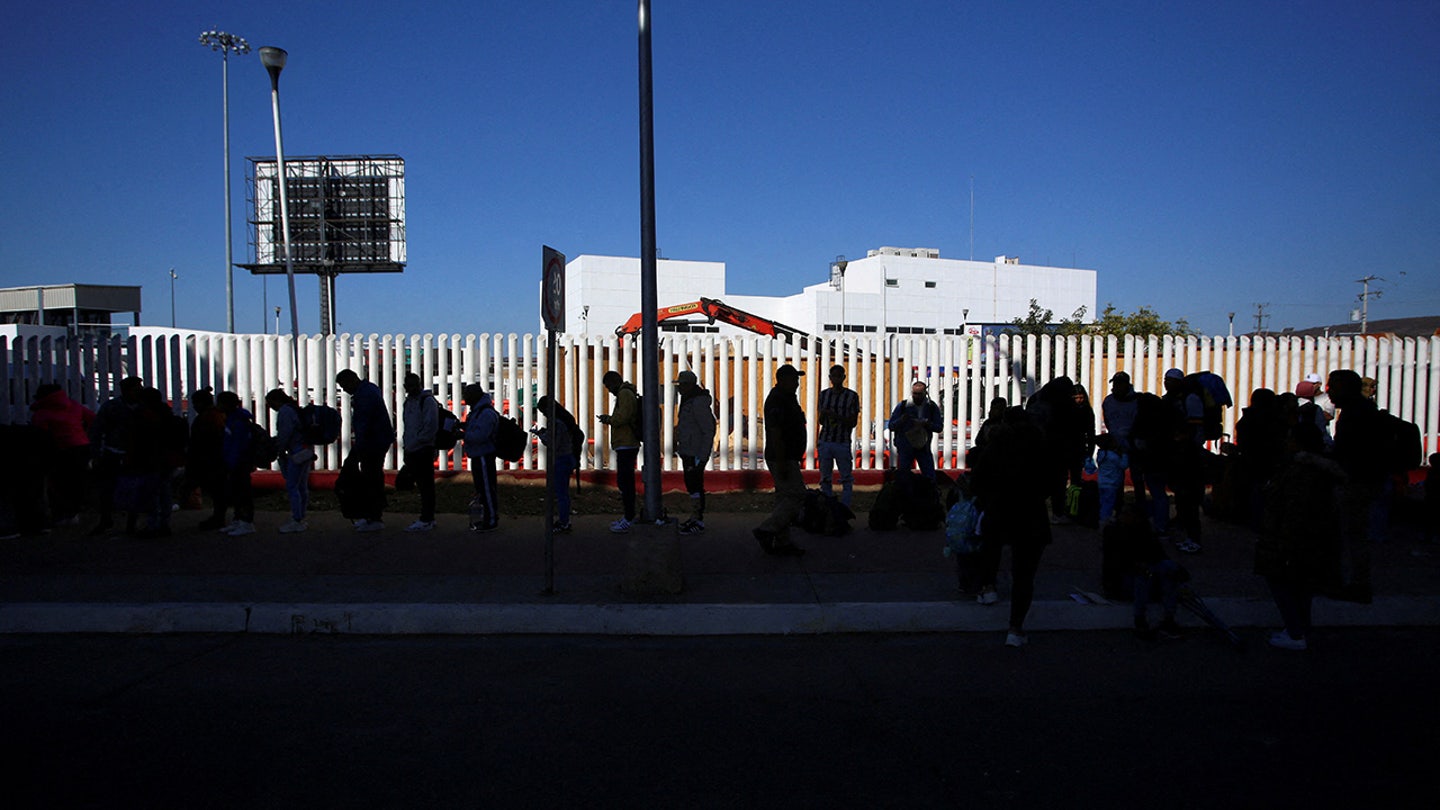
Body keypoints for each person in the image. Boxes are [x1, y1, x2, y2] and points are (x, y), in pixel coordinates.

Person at [1257, 425, 1344, 651]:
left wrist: (1282, 538)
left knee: (1281, 581)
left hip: (1294, 537)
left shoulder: (1299, 471)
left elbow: (1293, 508)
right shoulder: (1320, 469)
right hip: (1313, 536)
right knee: (1302, 585)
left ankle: (1296, 631)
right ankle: (1299, 629)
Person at [970, 406, 1052, 647]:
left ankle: (988, 587)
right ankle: (1015, 628)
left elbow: (977, 483)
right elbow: (1050, 482)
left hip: (998, 511)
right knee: (1024, 575)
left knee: (991, 549)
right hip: (1031, 515)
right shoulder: (1039, 447)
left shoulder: (995, 448)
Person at [1327, 369, 1386, 603]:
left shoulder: (1357, 414)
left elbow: (1349, 453)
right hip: (1360, 480)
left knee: (1352, 535)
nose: (1329, 391)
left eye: (1334, 385)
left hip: (1356, 482)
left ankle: (1356, 584)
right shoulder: (1360, 410)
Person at [1104, 508, 1185, 640]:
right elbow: (1115, 563)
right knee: (1143, 575)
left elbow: (1159, 556)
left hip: (1148, 576)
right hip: (1123, 581)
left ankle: (1169, 618)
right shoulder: (1114, 533)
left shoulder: (1145, 533)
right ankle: (1140, 619)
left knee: (1168, 569)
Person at [753, 363, 807, 556]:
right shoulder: (777, 401)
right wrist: (783, 461)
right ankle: (767, 529)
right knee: (796, 495)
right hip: (781, 456)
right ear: (782, 380)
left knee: (784, 497)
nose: (797, 383)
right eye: (794, 379)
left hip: (788, 455)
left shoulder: (787, 398)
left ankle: (782, 541)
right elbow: (776, 433)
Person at [336, 369, 395, 533]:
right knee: (371, 477)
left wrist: (359, 445)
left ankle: (374, 516)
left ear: (351, 380)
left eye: (344, 385)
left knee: (371, 478)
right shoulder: (369, 389)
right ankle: (371, 514)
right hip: (375, 440)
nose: (345, 390)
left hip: (371, 442)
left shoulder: (365, 394)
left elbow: (364, 421)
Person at [29, 383, 94, 527]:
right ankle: (76, 510)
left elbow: (40, 436)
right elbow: (92, 418)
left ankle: (64, 513)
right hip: (81, 447)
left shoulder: (42, 413)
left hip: (60, 450)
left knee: (59, 483)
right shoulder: (73, 405)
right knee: (78, 481)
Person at [87, 376, 143, 536]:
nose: (139, 391)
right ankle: (108, 519)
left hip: (130, 454)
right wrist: (96, 454)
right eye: (136, 388)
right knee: (108, 489)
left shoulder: (122, 407)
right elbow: (97, 431)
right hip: (114, 452)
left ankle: (127, 522)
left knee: (130, 489)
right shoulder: (113, 407)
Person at [1161, 368, 1205, 553]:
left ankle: (1194, 538)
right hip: (1176, 454)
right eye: (1166, 380)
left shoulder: (1190, 399)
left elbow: (1195, 428)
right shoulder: (1169, 400)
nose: (1167, 383)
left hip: (1190, 455)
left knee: (1190, 497)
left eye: (1171, 380)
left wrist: (1183, 440)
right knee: (1180, 494)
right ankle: (1184, 531)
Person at [673, 370, 717, 535]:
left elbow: (708, 430)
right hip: (688, 451)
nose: (679, 389)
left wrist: (702, 456)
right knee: (691, 485)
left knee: (696, 485)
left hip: (695, 452)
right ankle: (694, 516)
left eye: (681, 385)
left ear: (689, 385)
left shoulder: (697, 403)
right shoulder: (688, 400)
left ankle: (698, 519)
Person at [597, 370, 641, 533]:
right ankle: (628, 516)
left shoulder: (624, 394)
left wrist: (609, 419)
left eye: (609, 386)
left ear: (614, 382)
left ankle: (628, 518)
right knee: (625, 481)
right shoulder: (626, 393)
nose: (609, 390)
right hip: (625, 443)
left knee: (625, 482)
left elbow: (623, 417)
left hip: (626, 443)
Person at [266, 389, 312, 534]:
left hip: (294, 453)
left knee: (292, 486)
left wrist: (280, 449)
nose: (270, 407)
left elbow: (285, 433)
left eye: (271, 403)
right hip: (306, 451)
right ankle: (301, 516)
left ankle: (296, 518)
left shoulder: (285, 412)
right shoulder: (295, 409)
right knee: (302, 486)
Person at [816, 364, 860, 507]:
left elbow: (852, 422)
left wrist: (835, 416)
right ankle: (828, 505)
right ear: (830, 378)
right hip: (826, 439)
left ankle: (845, 507)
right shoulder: (824, 395)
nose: (836, 379)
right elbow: (821, 420)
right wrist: (825, 415)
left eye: (839, 376)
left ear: (843, 377)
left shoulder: (851, 396)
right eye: (833, 376)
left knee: (846, 477)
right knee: (825, 477)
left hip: (842, 441)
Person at [534, 395, 579, 533]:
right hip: (568, 457)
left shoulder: (556, 423)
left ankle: (564, 522)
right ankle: (564, 521)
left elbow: (554, 443)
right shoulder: (565, 420)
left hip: (561, 459)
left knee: (561, 493)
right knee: (562, 492)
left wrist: (542, 436)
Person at [401, 372, 439, 532]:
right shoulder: (408, 402)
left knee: (426, 485)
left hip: (422, 449)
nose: (410, 388)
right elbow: (408, 427)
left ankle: (427, 518)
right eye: (408, 385)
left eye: (413, 384)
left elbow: (430, 427)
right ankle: (426, 517)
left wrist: (414, 444)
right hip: (413, 449)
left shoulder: (427, 402)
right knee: (423, 485)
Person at [215, 390, 257, 536]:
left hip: (239, 462)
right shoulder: (233, 418)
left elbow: (239, 444)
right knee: (236, 492)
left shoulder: (237, 421)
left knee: (242, 492)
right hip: (235, 461)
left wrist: (232, 461)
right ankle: (239, 519)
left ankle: (246, 522)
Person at [189, 389, 231, 531]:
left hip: (212, 460)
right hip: (217, 459)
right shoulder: (218, 416)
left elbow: (202, 441)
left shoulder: (207, 418)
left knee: (217, 490)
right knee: (218, 490)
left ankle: (218, 517)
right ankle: (219, 516)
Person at [1101, 371, 1143, 511]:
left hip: (1134, 444)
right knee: (1116, 478)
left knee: (1137, 477)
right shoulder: (1108, 401)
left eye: (1120, 384)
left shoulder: (1137, 401)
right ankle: (1117, 506)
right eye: (1115, 384)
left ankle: (1140, 505)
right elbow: (1108, 420)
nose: (1116, 387)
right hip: (1116, 444)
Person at [462, 383, 500, 532]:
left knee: (487, 489)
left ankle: (490, 520)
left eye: (467, 394)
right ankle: (487, 517)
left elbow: (481, 435)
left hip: (484, 455)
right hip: (478, 455)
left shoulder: (485, 413)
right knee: (482, 489)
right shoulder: (478, 412)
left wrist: (464, 434)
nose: (465, 398)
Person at [887, 380, 942, 480]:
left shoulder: (931, 407)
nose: (916, 396)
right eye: (914, 393)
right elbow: (891, 426)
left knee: (929, 476)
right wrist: (902, 420)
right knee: (903, 476)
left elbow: (939, 427)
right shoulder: (903, 406)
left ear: (925, 393)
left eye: (919, 394)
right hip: (905, 446)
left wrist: (927, 424)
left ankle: (930, 493)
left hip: (923, 446)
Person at [1094, 433, 1128, 524]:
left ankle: (1102, 517)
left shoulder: (1101, 455)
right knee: (1109, 503)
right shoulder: (1113, 456)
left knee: (1103, 501)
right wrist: (1125, 455)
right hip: (1111, 484)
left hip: (1101, 483)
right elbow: (1123, 465)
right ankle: (1104, 520)